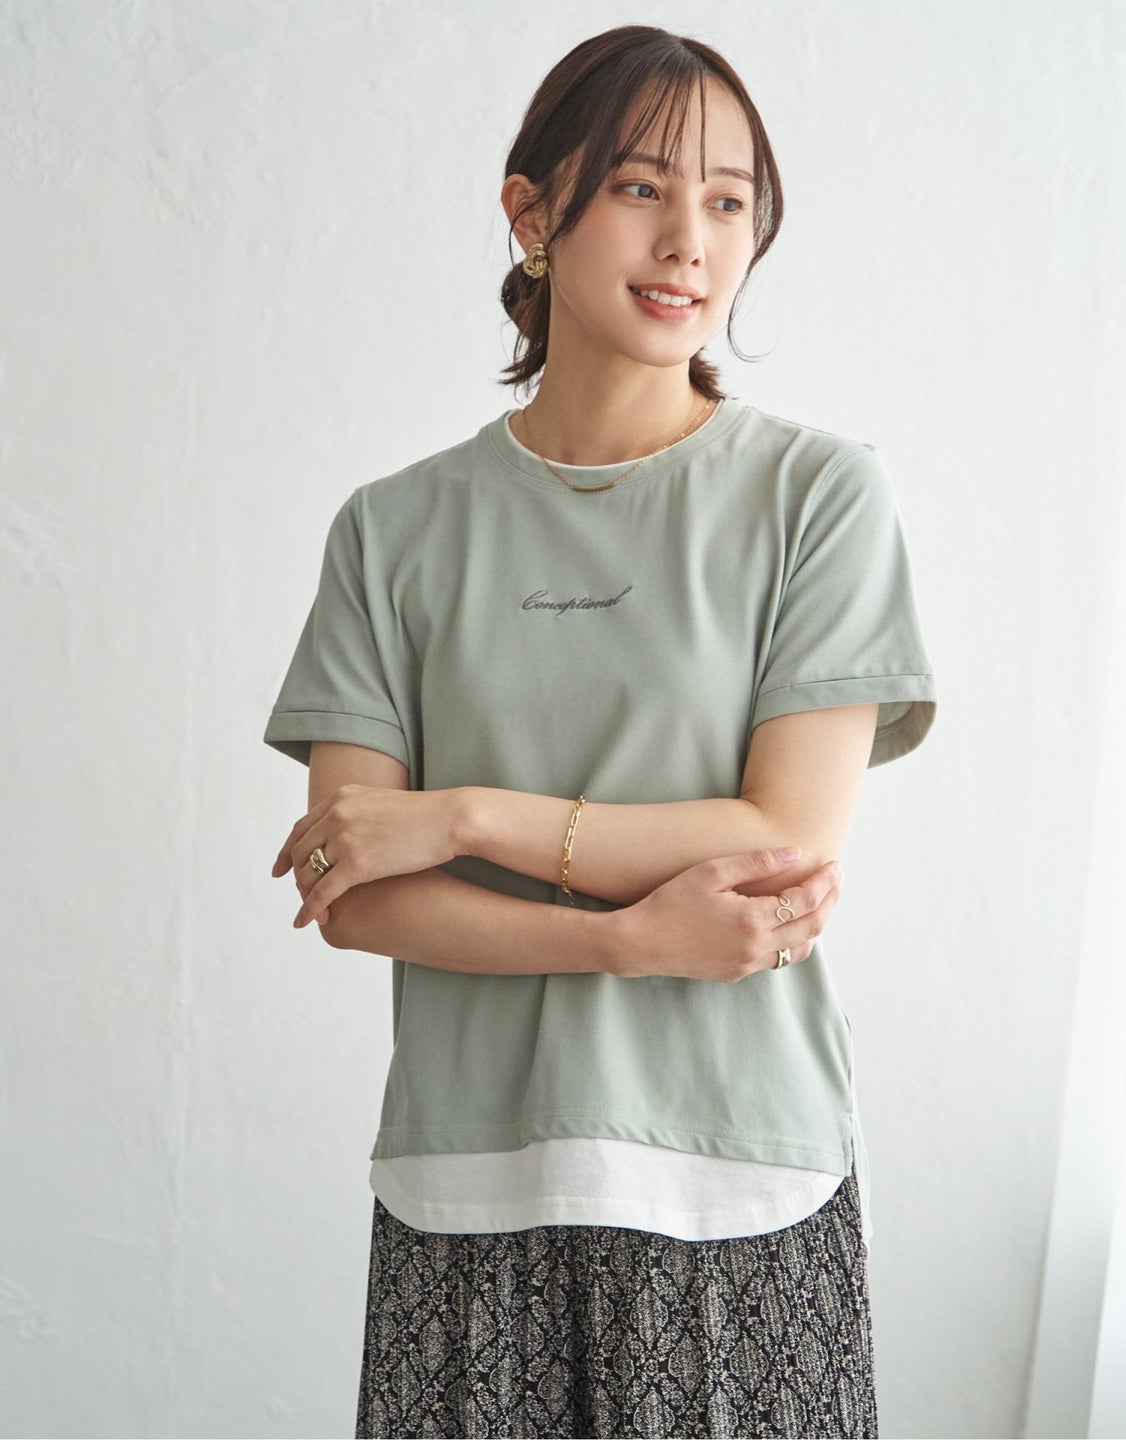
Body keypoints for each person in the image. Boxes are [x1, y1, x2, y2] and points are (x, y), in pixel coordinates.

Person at [263, 23, 936, 1440]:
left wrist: (460, 817)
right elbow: (352, 889)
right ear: (531, 211)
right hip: (466, 1188)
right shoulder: (391, 531)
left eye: (730, 201)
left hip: (738, 1183)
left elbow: (783, 834)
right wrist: (629, 939)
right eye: (641, 187)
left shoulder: (817, 499)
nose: (690, 240)